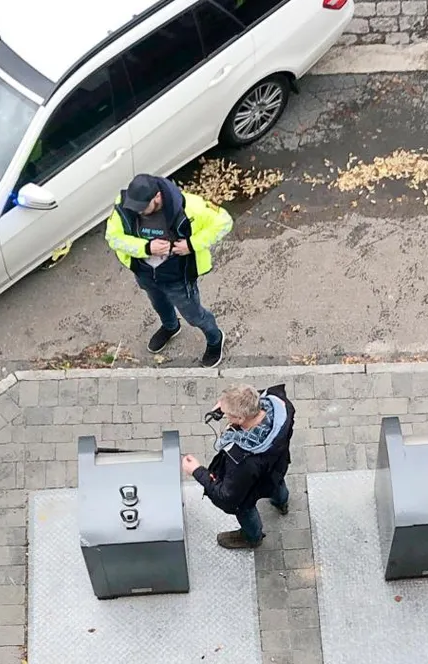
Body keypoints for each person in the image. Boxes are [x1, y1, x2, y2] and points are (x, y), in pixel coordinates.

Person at [105, 173, 234, 368]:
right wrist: (146, 248)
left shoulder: (190, 206)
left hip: (177, 277)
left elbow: (224, 222)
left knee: (194, 315)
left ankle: (215, 339)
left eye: (143, 209)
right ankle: (171, 327)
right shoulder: (126, 205)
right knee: (159, 304)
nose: (138, 212)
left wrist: (191, 244)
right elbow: (113, 237)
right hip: (146, 274)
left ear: (157, 197)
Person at [181, 384, 297, 550]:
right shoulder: (281, 406)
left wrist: (197, 471)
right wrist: (229, 403)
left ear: (241, 419)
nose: (225, 416)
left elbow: (227, 496)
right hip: (276, 467)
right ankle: (282, 504)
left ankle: (252, 537)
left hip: (250, 485)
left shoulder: (241, 459)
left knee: (244, 509)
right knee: (276, 485)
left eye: (227, 415)